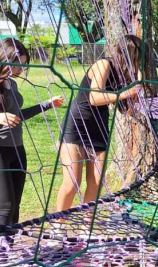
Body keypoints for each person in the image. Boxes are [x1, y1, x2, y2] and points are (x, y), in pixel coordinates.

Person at [0, 38, 64, 230]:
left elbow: (16, 116)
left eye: (23, 65)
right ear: (2, 59)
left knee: (14, 209)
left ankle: (8, 253)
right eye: (16, 65)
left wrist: (47, 105)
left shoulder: (11, 85)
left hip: (17, 151)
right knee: (4, 207)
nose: (20, 69)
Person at [56, 35, 147, 211]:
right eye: (139, 58)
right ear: (130, 54)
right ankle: (58, 226)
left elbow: (125, 108)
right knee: (73, 182)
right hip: (78, 124)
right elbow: (94, 97)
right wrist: (125, 93)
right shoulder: (104, 65)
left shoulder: (125, 74)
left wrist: (137, 84)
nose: (140, 63)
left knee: (97, 181)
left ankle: (86, 226)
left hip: (99, 125)